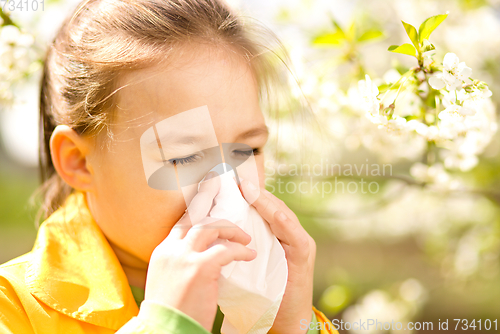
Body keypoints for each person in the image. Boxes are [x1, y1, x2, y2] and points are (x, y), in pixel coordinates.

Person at [0, 0, 339, 333]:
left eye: (246, 150)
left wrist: (289, 326)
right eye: (184, 157)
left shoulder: (264, 298)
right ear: (79, 163)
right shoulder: (13, 309)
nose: (226, 186)